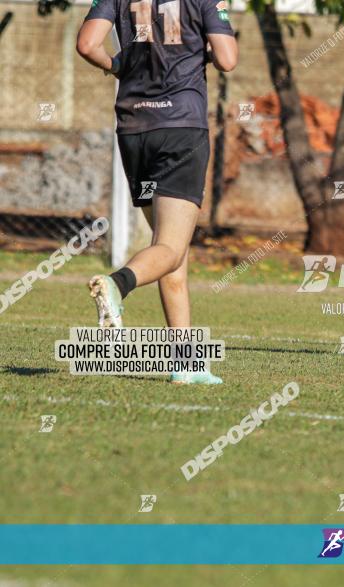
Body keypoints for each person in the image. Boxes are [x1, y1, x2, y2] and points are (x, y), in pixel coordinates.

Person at [76, 0, 238, 383]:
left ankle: (185, 363)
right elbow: (228, 59)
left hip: (135, 130)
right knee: (170, 247)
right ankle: (118, 285)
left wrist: (116, 65)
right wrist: (206, 49)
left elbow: (87, 45)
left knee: (169, 249)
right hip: (181, 128)